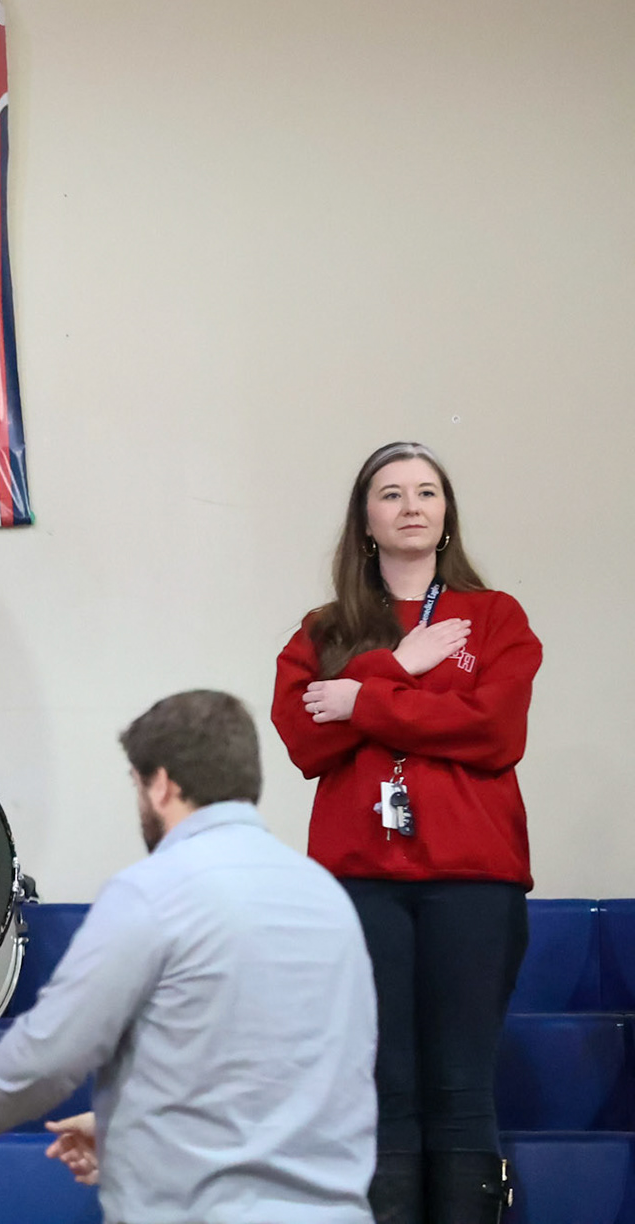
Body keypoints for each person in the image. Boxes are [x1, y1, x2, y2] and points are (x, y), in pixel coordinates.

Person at [0, 690, 377, 1224]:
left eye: (137, 786)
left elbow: (53, 1051)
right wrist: (125, 1130)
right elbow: (290, 1070)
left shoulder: (155, 890)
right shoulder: (327, 898)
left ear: (161, 784)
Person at [272, 442, 540, 1224]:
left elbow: (493, 732)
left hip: (474, 882)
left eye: (427, 491)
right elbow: (306, 740)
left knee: (461, 1088)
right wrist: (396, 667)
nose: (412, 505)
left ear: (447, 514)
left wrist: (364, 702)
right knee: (382, 1089)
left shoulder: (495, 618)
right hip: (360, 884)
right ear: (366, 520)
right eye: (391, 494)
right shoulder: (322, 629)